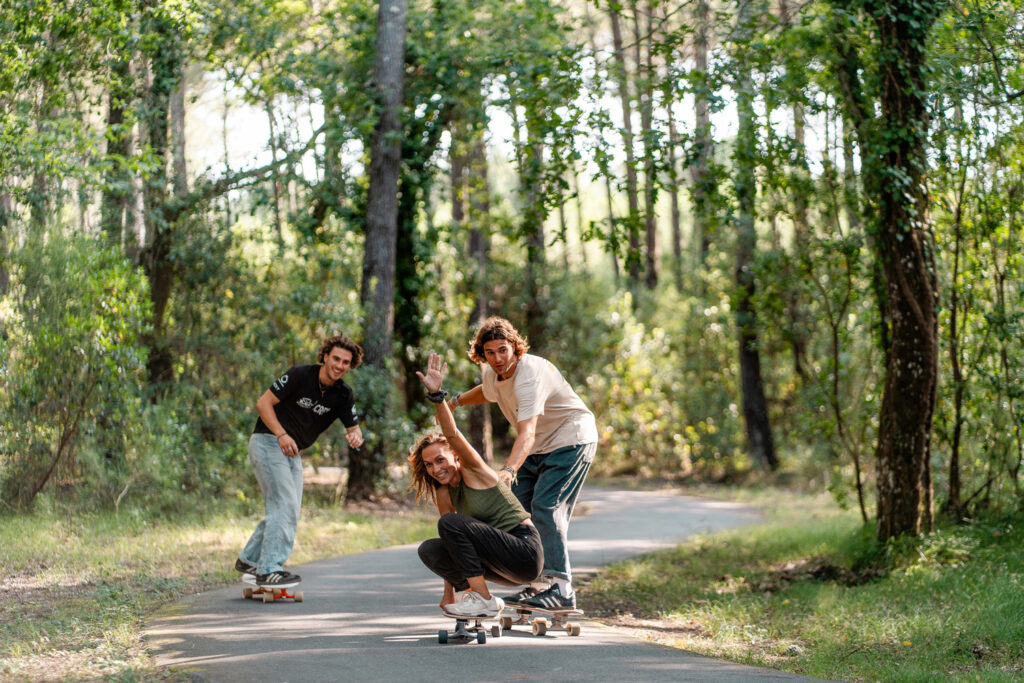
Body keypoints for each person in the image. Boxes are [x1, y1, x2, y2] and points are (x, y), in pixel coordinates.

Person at [447, 316, 597, 610]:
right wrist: (455, 402)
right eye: (489, 353)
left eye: (503, 350)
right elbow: (488, 392)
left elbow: (526, 433)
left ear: (515, 347)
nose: (497, 358)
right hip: (540, 446)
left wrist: (509, 468)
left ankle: (562, 589)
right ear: (482, 354)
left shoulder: (529, 374)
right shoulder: (493, 373)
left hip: (571, 439)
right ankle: (539, 585)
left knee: (546, 507)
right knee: (517, 510)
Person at [409, 352, 544, 618]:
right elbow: (452, 543)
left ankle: (483, 599)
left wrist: (438, 398)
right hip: (499, 562)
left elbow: (452, 434)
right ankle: (471, 598)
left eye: (440, 460)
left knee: (449, 523)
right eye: (429, 465)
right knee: (430, 549)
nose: (436, 469)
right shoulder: (445, 492)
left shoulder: (476, 471)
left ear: (455, 457)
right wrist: (448, 593)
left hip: (525, 553)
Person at [234, 334, 365, 586]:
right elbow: (263, 403)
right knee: (283, 504)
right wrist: (281, 434)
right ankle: (269, 569)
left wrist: (356, 436)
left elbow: (353, 428)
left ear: (351, 365)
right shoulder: (300, 375)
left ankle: (249, 559)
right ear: (325, 356)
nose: (339, 365)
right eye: (336, 358)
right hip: (268, 441)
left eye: (346, 362)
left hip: (292, 452)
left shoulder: (343, 394)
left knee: (289, 508)